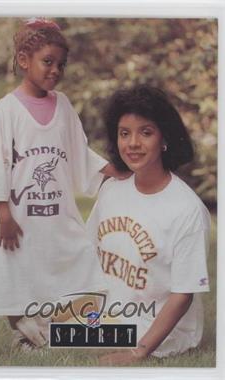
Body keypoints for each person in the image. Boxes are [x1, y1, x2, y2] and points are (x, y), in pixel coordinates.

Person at [0, 17, 121, 350]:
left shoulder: (64, 106)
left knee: (78, 257)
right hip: (18, 217)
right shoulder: (6, 110)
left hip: (56, 214)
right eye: (48, 62)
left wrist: (108, 171)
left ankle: (52, 329)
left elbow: (78, 152)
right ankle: (23, 334)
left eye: (61, 64)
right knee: (18, 270)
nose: (55, 70)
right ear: (24, 60)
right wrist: (3, 215)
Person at [86, 84, 211, 365]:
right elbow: (87, 253)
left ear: (164, 138)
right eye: (124, 133)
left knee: (57, 338)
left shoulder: (186, 210)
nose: (132, 143)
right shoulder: (112, 190)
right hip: (111, 313)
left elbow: (183, 295)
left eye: (146, 132)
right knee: (42, 316)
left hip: (157, 329)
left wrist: (137, 352)